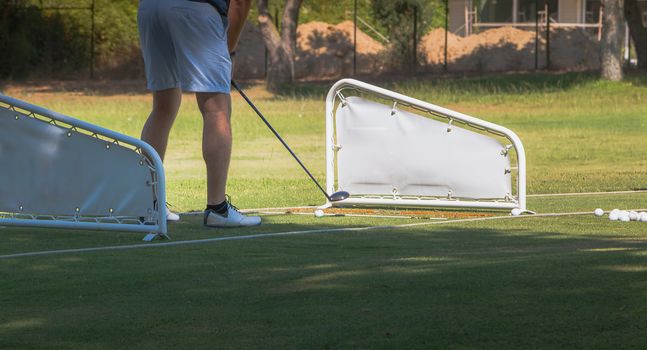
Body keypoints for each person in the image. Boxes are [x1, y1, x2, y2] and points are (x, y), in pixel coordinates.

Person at [137, 0, 261, 227]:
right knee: (216, 108)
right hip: (195, 9)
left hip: (150, 8)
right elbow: (240, 4)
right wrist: (229, 50)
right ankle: (218, 209)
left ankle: (149, 206)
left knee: (163, 106)